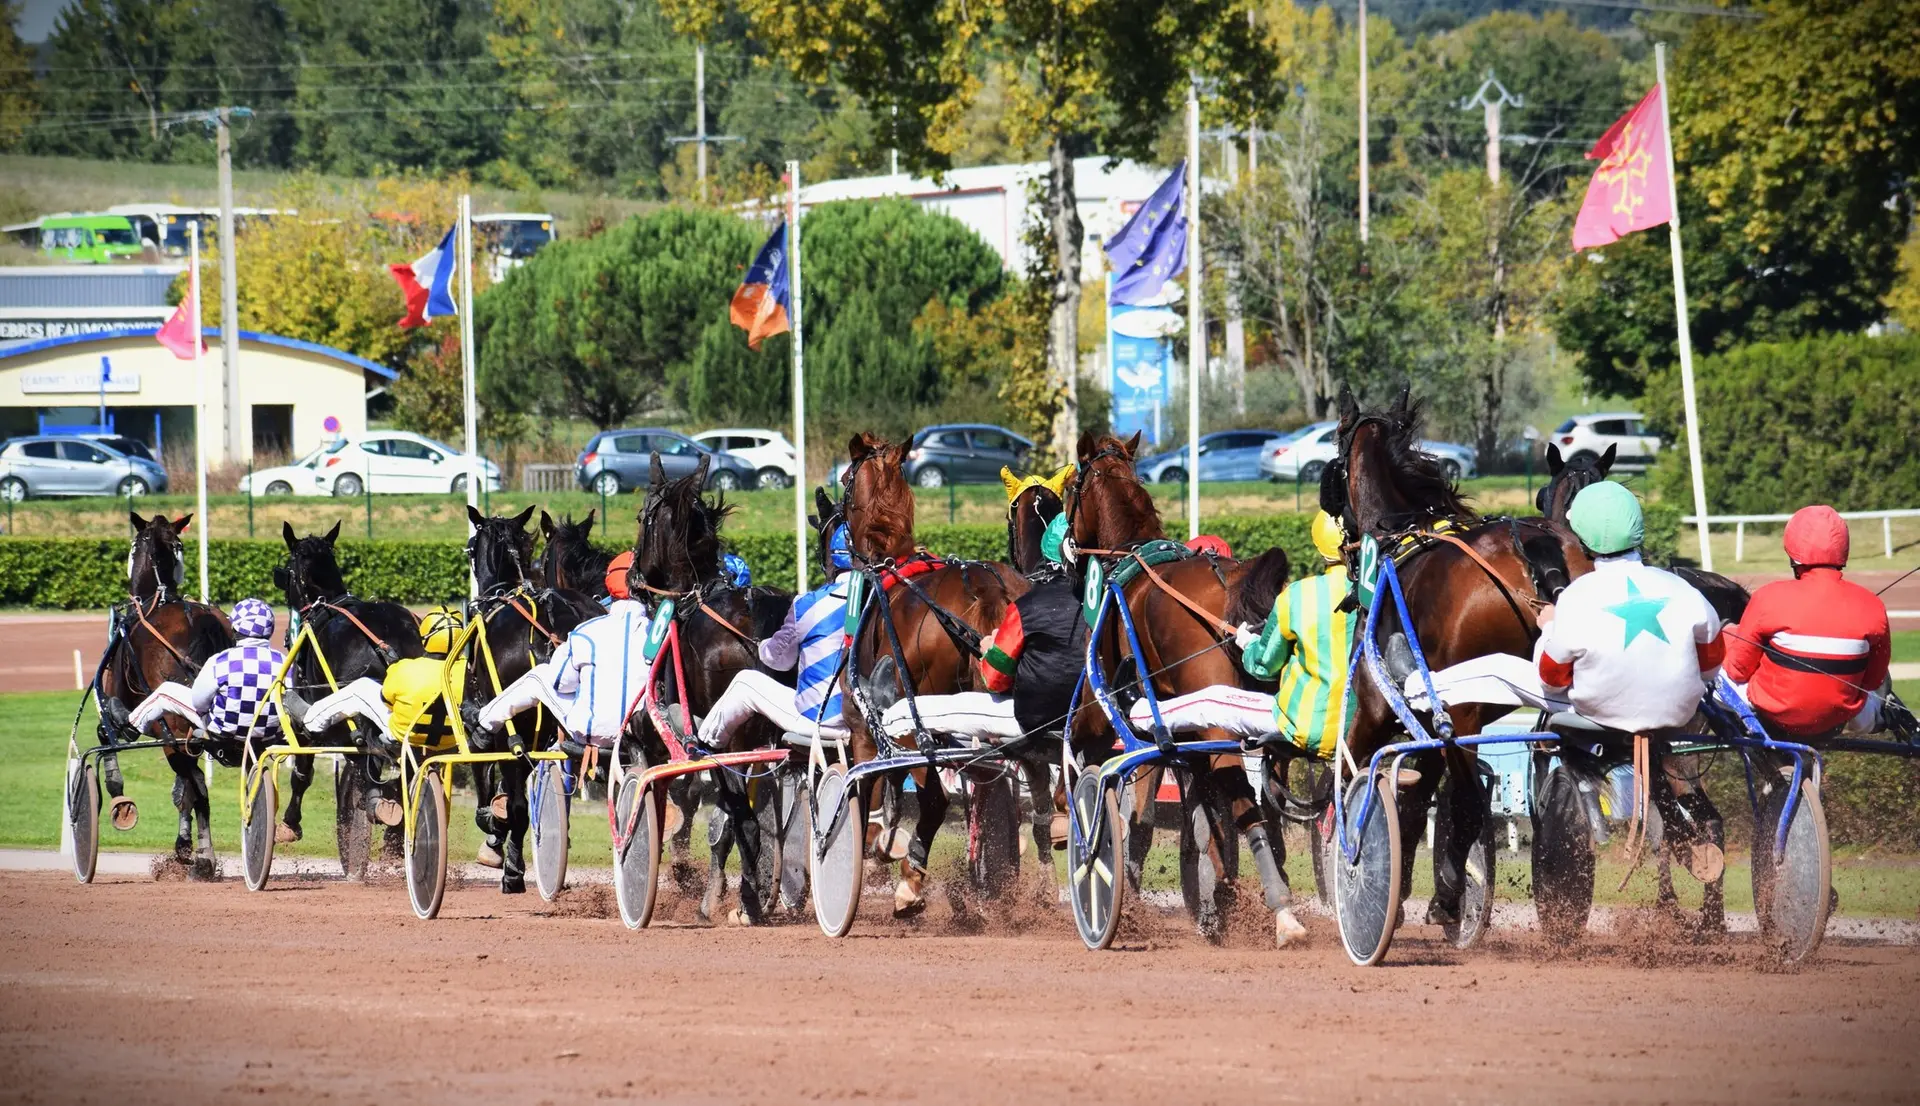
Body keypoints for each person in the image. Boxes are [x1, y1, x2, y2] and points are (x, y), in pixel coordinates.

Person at [1120, 511, 1356, 946]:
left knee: (1209, 706)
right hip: (1357, 728)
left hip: (1299, 721)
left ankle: (1140, 714)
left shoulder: (1298, 599)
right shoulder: (1373, 592)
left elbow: (1264, 664)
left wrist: (1247, 648)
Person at [1399, 482, 1724, 735]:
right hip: (1679, 710)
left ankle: (1412, 685)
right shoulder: (1683, 590)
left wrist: (1551, 627)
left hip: (1600, 712)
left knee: (1497, 667)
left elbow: (1551, 678)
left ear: (1581, 541)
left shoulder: (1577, 597)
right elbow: (1710, 665)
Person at [1722, 505, 1901, 739]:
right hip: (1841, 718)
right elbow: (1873, 680)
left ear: (1792, 550)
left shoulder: (1768, 596)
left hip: (1775, 715)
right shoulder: (1873, 605)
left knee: (1712, 672)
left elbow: (1736, 671)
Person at [695, 525, 852, 747]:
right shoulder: (883, 599)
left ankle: (706, 745)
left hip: (820, 720)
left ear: (833, 561)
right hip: (871, 721)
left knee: (745, 682)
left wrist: (763, 645)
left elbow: (779, 661)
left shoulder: (808, 604)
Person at [129, 597, 287, 745]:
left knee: (165, 692)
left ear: (234, 627)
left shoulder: (220, 660)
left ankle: (131, 724)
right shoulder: (284, 661)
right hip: (270, 733)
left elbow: (199, 701)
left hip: (224, 730)